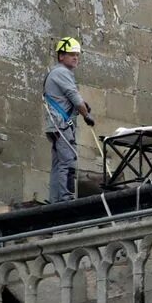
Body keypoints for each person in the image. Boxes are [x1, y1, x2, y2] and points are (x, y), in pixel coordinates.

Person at [44, 36, 95, 203]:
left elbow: (67, 98)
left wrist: (81, 106)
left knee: (58, 165)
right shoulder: (62, 72)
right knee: (68, 162)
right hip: (62, 125)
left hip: (56, 125)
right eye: (72, 54)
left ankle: (54, 201)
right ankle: (65, 200)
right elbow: (74, 96)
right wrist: (86, 115)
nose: (75, 58)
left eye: (77, 55)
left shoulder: (57, 73)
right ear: (61, 56)